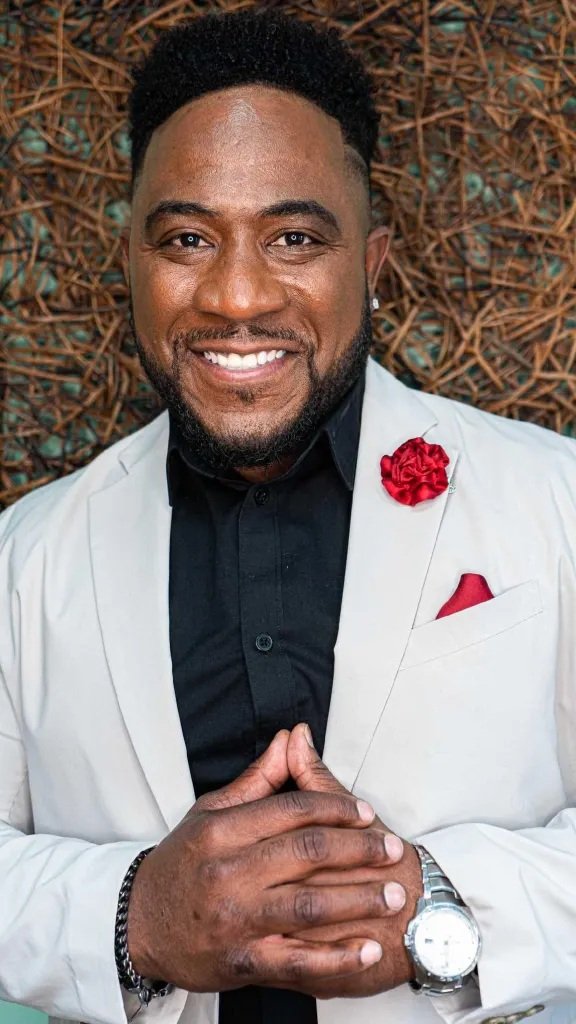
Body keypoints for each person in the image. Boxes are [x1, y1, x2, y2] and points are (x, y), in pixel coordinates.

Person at [1, 8, 576, 1024]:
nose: (235, 296)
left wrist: (439, 910)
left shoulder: (557, 501)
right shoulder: (26, 556)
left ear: (373, 260)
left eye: (295, 238)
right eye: (187, 238)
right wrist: (133, 916)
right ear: (130, 259)